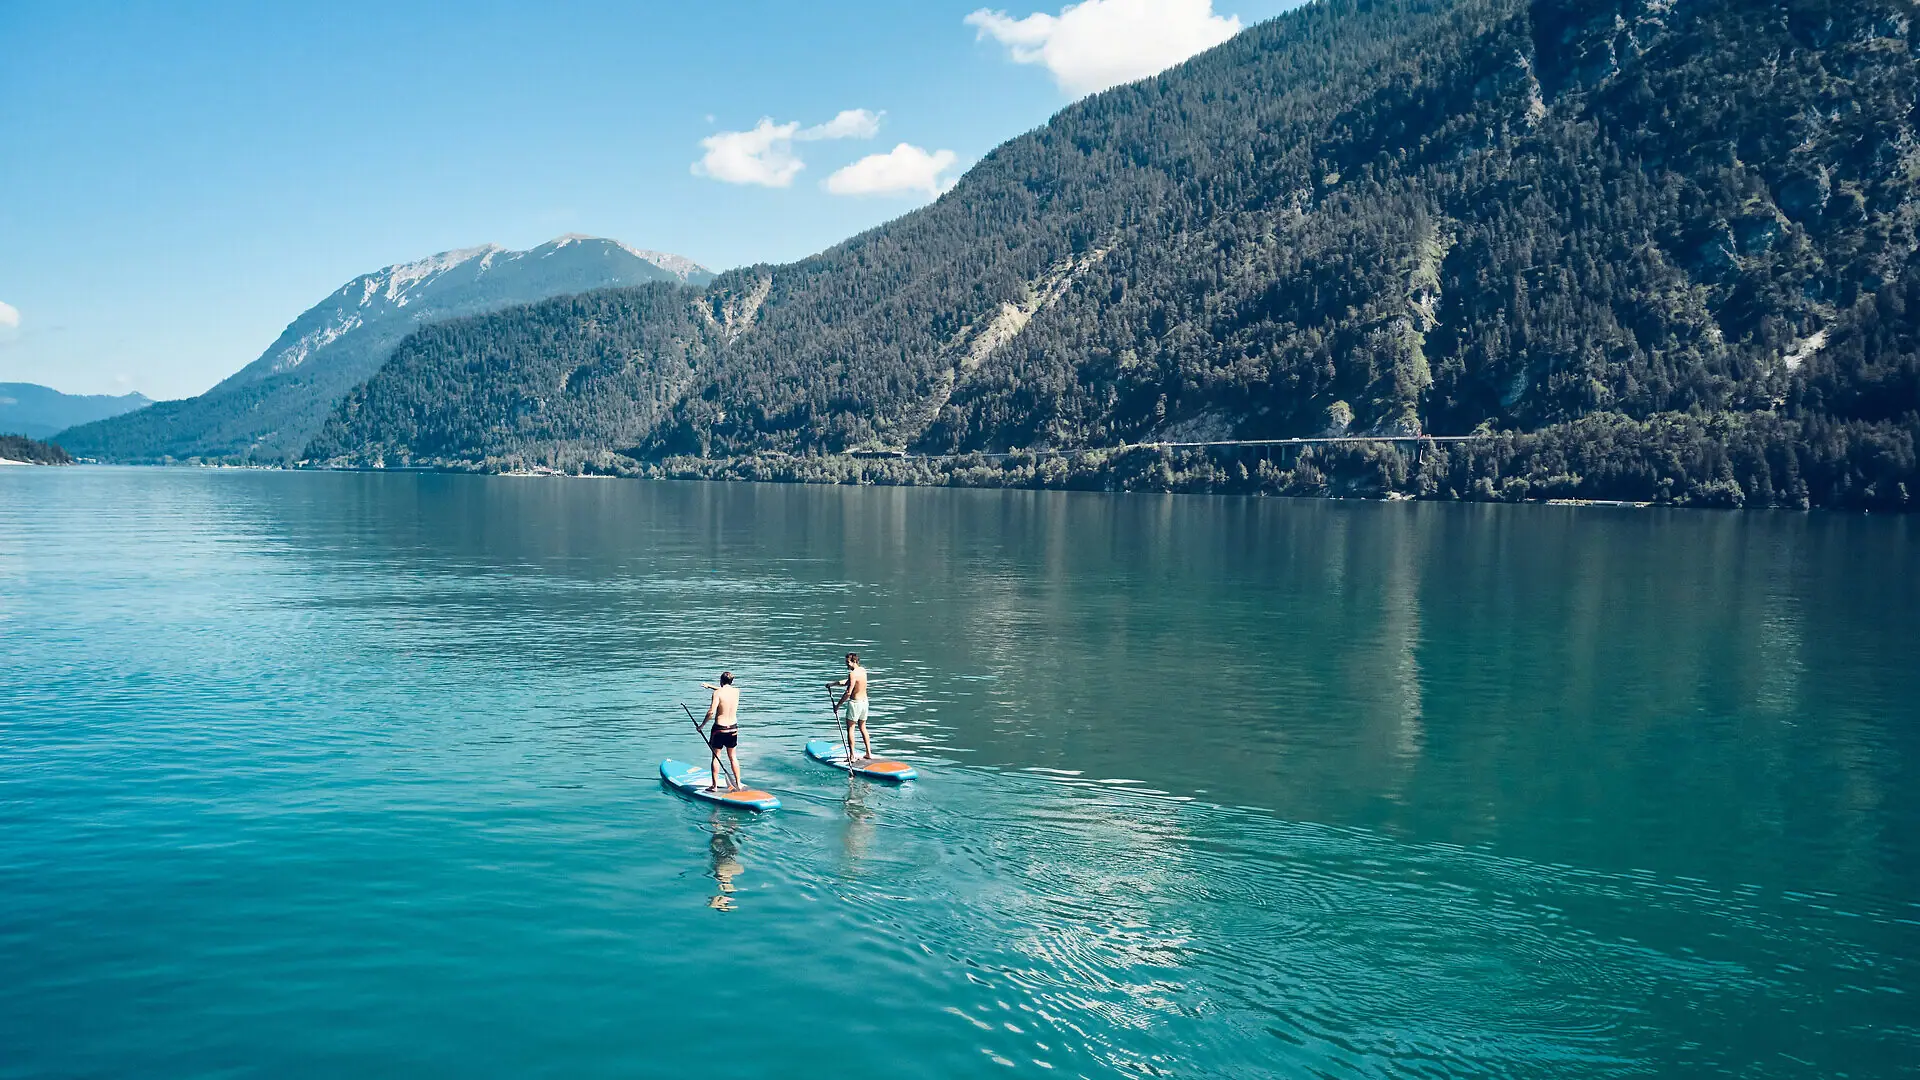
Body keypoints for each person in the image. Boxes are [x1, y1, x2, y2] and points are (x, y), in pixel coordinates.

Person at [701, 672, 743, 792]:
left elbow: (711, 712)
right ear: (731, 681)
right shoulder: (736, 691)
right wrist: (710, 686)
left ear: (721, 680)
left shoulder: (717, 693)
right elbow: (725, 690)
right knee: (733, 757)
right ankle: (739, 783)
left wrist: (702, 725)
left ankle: (714, 786)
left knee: (716, 756)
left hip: (719, 729)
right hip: (733, 729)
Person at [828, 653, 873, 762]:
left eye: (847, 662)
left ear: (854, 661)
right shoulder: (863, 671)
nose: (846, 665)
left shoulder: (852, 674)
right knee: (863, 727)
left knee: (850, 729)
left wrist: (837, 706)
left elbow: (848, 692)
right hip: (864, 702)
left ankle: (852, 756)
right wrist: (832, 684)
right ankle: (868, 753)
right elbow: (847, 683)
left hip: (855, 704)